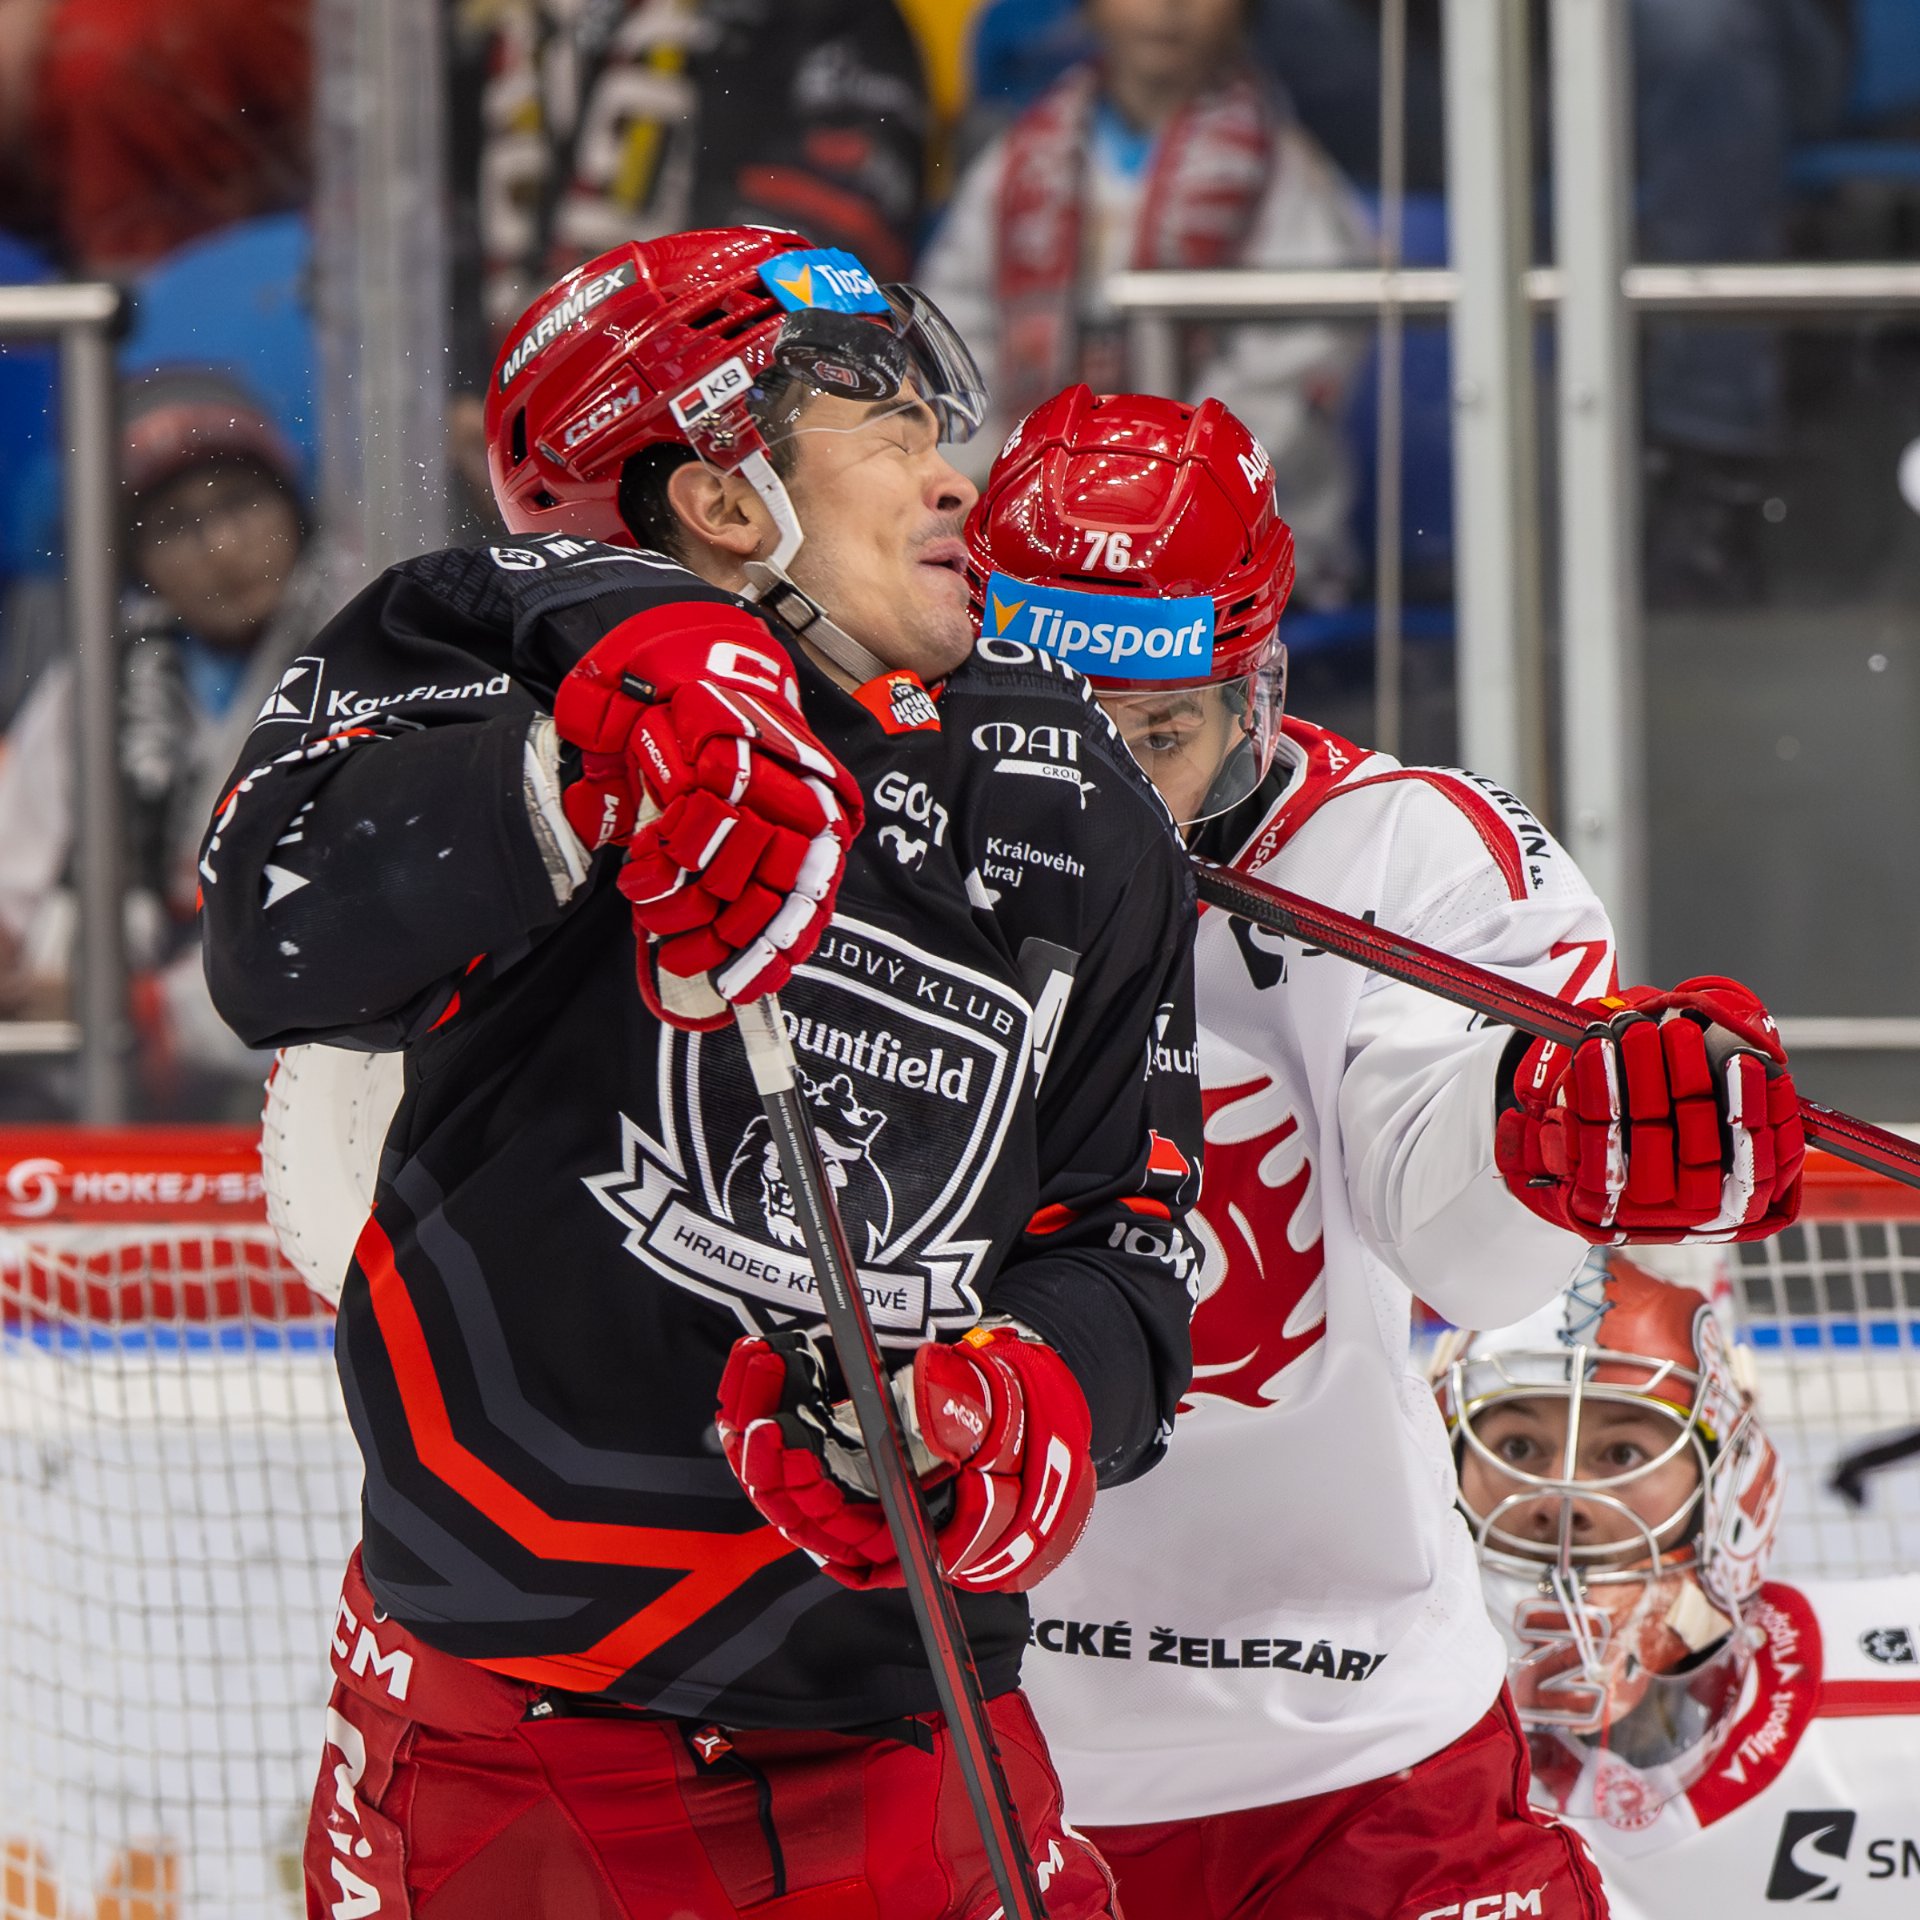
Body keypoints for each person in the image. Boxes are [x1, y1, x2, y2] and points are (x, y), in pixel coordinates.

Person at [198, 228, 1204, 1919]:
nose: (957, 480)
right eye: (888, 430)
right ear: (725, 498)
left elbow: (1126, 1244)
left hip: (909, 1737)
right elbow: (273, 938)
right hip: (516, 1752)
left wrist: (1027, 1404)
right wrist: (565, 774)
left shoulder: (1069, 799)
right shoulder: (483, 652)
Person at [963, 383, 1807, 1920]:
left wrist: (1559, 1133)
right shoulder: (864, 838)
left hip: (1358, 1750)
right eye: (1059, 731)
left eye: (1160, 735)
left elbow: (1469, 1253)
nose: (1105, 792)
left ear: (1254, 691)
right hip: (963, 1741)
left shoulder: (1411, 854)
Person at [1440, 1251, 1920, 1917]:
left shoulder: (1893, 1709)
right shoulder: (1342, 1728)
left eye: (1622, 1452)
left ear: (1725, 1485)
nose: (1563, 1500)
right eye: (1517, 1447)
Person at [920, 0, 1371, 607]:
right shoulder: (1021, 159)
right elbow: (957, 330)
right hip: (1026, 537)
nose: (1166, 9)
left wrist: (1161, 501)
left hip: (1223, 564)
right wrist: (1002, 479)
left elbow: (1295, 360)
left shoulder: (1283, 170)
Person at [0, 368, 327, 1114]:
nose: (222, 547)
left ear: (293, 506)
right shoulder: (98, 682)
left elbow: (364, 933)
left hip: (308, 1092)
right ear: (135, 559)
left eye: (240, 502)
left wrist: (142, 1014)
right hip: (99, 1098)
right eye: (176, 525)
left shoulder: (366, 660)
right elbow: (10, 878)